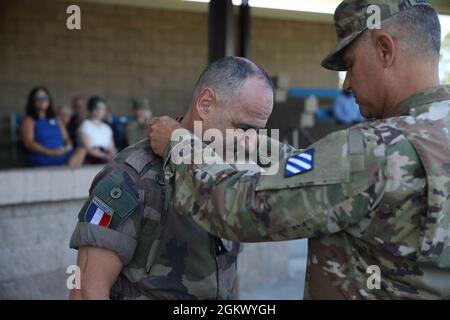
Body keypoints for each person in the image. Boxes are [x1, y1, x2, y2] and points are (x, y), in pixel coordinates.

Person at [148, 0, 450, 299]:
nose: (346, 84)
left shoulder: (374, 147)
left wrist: (178, 144)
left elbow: (240, 207)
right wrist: (257, 145)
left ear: (385, 49)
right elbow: (333, 182)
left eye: (350, 65)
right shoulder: (429, 135)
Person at [69, 57, 275, 300]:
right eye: (242, 127)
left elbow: (227, 273)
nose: (249, 141)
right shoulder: (131, 177)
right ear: (206, 104)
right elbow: (85, 291)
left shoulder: (229, 178)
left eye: (256, 131)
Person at [20, 87, 85, 167]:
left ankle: (63, 171)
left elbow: (66, 139)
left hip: (61, 154)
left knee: (81, 150)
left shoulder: (56, 118)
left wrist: (67, 147)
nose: (42, 100)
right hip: (41, 156)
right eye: (38, 98)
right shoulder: (29, 120)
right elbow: (29, 143)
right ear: (32, 101)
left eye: (45, 97)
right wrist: (51, 152)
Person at [78, 96, 117, 164]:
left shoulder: (106, 128)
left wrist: (112, 155)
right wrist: (105, 156)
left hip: (106, 158)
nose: (104, 111)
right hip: (92, 160)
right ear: (93, 110)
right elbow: (88, 149)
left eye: (104, 109)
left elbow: (112, 148)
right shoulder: (85, 125)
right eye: (101, 109)